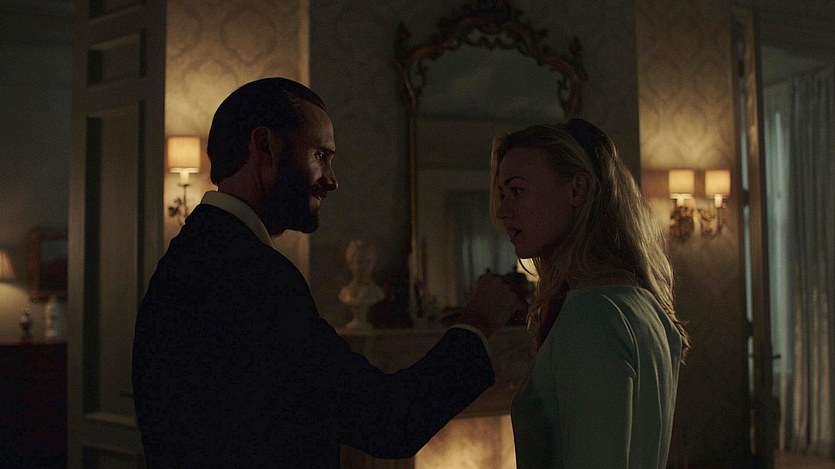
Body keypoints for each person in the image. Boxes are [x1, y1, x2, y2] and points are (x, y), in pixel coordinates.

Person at [131, 77, 524, 468]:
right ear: (264, 145)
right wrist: (477, 323)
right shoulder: (252, 275)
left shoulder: (196, 253)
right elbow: (389, 420)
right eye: (320, 155)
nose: (332, 181)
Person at [485, 119, 690, 468]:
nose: (503, 211)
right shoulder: (644, 305)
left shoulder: (592, 315)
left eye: (517, 191)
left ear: (577, 189)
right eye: (502, 195)